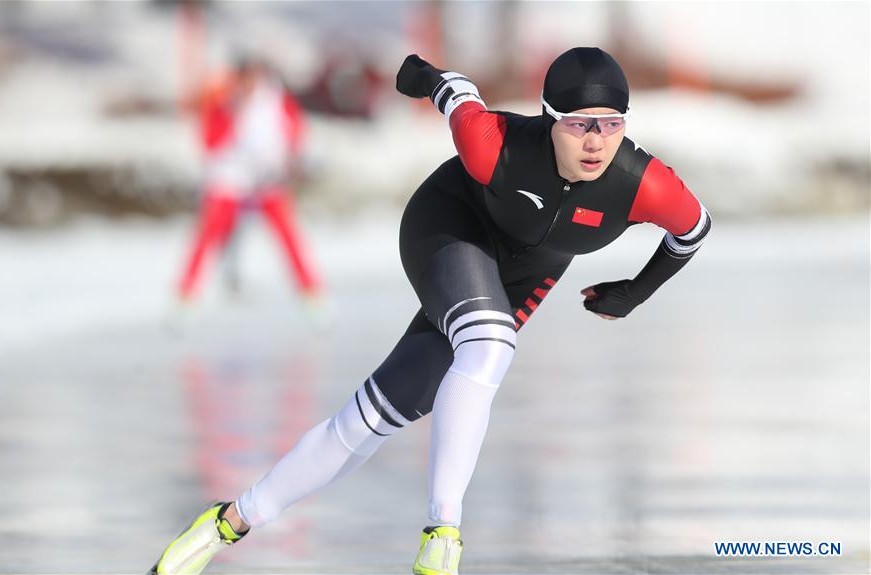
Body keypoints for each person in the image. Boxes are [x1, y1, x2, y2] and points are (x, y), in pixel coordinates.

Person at [149, 47, 711, 575]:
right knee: (490, 345)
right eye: (578, 123)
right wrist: (419, 74)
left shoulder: (643, 183)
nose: (596, 141)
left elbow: (694, 230)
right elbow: (457, 92)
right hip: (448, 228)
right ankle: (443, 532)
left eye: (611, 123)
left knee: (377, 416)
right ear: (548, 117)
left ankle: (228, 522)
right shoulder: (498, 144)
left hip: (524, 275)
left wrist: (636, 290)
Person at [176, 56, 324, 309]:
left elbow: (294, 134)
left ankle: (312, 295)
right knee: (208, 236)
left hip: (267, 181)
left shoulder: (277, 101)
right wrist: (232, 114)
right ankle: (185, 297)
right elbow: (210, 142)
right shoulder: (224, 101)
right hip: (230, 180)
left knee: (288, 236)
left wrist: (290, 160)